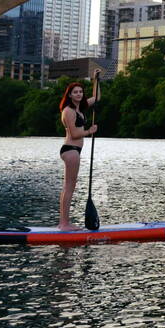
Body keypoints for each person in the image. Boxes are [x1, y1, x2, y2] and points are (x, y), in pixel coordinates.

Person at [57, 69, 101, 231]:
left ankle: (64, 223)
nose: (79, 94)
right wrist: (90, 131)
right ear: (69, 95)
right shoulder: (68, 111)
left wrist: (96, 80)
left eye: (81, 92)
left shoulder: (79, 109)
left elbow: (97, 98)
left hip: (75, 151)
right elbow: (75, 134)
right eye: (75, 92)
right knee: (69, 187)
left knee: (70, 186)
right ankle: (64, 223)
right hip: (70, 150)